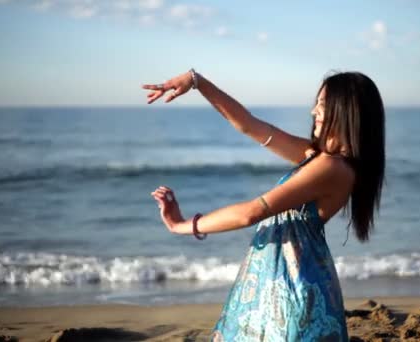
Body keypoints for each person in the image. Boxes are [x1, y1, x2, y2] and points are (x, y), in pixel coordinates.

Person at [144, 68, 385, 341]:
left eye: (322, 105)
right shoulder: (319, 159)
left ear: (345, 111)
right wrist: (197, 82)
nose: (313, 112)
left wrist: (182, 226)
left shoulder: (330, 167)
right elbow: (249, 125)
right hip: (282, 281)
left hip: (291, 289)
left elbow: (252, 213)